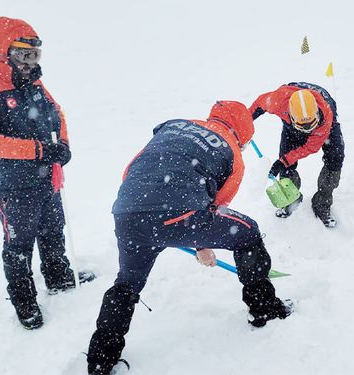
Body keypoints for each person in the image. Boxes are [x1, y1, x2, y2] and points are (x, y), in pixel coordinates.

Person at [86, 101, 292, 375]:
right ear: (243, 134)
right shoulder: (232, 154)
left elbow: (131, 170)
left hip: (127, 213)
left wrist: (143, 207)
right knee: (248, 233)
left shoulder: (175, 126)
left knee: (126, 285)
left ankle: (101, 361)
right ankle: (264, 308)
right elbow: (215, 207)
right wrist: (201, 244)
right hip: (179, 215)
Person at [0, 17, 94, 330]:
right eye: (23, 55)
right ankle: (24, 299)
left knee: (52, 227)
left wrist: (62, 144)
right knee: (19, 243)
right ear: (0, 52)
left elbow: (56, 111)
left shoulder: (32, 80)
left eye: (35, 55)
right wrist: (36, 151)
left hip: (45, 174)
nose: (30, 62)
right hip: (11, 182)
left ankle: (59, 275)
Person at [250, 82, 345, 227]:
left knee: (335, 159)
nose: (307, 131)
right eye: (302, 127)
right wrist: (243, 124)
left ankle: (322, 203)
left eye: (310, 125)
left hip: (325, 127)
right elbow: (258, 105)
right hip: (291, 127)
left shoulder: (325, 115)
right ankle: (291, 198)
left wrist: (284, 161)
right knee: (286, 166)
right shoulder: (278, 100)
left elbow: (310, 146)